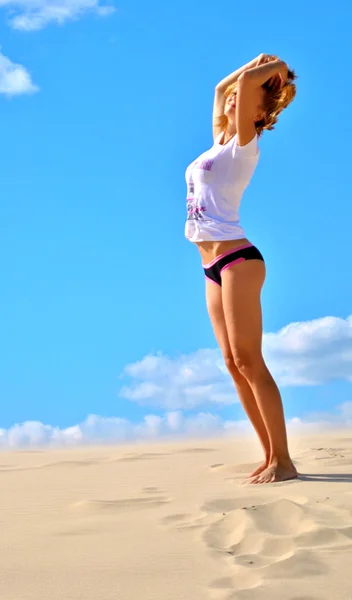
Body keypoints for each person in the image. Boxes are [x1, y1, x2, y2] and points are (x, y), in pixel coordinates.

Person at [185, 54, 298, 484]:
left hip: (238, 260)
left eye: (242, 97)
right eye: (234, 96)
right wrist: (250, 65)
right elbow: (220, 88)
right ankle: (269, 455)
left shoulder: (243, 147)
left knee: (250, 359)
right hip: (210, 263)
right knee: (233, 364)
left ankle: (284, 461)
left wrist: (276, 67)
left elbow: (249, 86)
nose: (233, 98)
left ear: (258, 113)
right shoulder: (217, 142)